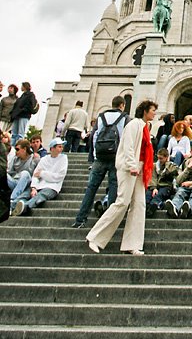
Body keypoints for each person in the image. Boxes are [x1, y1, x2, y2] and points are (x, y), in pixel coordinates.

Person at [85, 99, 157, 256]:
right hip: (129, 169)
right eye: (152, 110)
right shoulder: (133, 124)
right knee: (122, 202)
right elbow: (128, 146)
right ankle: (95, 237)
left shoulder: (145, 127)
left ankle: (133, 244)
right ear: (145, 111)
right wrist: (132, 165)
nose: (154, 113)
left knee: (139, 206)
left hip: (140, 170)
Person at [72, 96, 130, 228]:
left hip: (100, 157)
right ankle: (109, 222)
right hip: (115, 157)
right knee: (113, 189)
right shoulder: (125, 118)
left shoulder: (101, 116)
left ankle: (80, 219)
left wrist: (94, 156)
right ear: (122, 105)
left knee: (91, 188)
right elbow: (125, 139)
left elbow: (94, 136)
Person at [12, 138, 68, 216]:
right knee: (25, 194)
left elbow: (59, 176)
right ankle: (12, 206)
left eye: (61, 147)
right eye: (59, 146)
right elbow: (35, 175)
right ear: (52, 148)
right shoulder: (44, 159)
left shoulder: (63, 158)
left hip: (52, 187)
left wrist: (42, 174)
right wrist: (34, 187)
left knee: (40, 197)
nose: (61, 149)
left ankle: (25, 207)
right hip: (39, 185)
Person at [165, 142, 192, 219]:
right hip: (184, 187)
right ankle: (174, 208)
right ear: (191, 152)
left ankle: (188, 210)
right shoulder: (184, 163)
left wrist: (191, 183)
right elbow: (178, 180)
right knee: (180, 193)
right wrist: (188, 169)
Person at [7, 138, 38, 211]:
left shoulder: (34, 158)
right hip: (15, 182)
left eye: (17, 149)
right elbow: (9, 172)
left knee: (25, 173)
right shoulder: (15, 159)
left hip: (27, 183)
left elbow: (36, 174)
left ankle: (12, 199)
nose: (16, 152)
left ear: (24, 149)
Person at [146, 147, 178, 217]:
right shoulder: (155, 166)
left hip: (166, 186)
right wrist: (154, 188)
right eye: (158, 158)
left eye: (161, 158)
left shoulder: (171, 165)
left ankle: (154, 206)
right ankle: (150, 206)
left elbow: (174, 173)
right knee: (148, 196)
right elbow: (153, 177)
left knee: (158, 196)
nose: (159, 160)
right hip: (155, 186)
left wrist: (167, 167)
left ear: (166, 158)